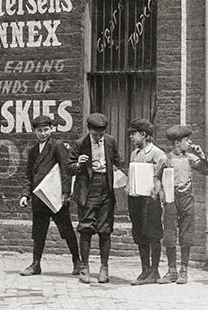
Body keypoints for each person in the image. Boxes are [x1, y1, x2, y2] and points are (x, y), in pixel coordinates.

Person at [17, 114, 83, 277]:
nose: (43, 133)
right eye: (39, 130)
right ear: (34, 132)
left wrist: (65, 194)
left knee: (66, 230)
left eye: (46, 130)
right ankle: (36, 264)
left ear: (52, 129)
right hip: (40, 197)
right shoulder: (33, 151)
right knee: (38, 232)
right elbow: (28, 175)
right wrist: (25, 194)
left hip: (55, 197)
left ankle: (77, 262)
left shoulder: (57, 146)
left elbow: (65, 171)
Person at [72, 112, 121, 284]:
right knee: (86, 228)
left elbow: (117, 161)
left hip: (106, 188)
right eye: (95, 134)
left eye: (101, 134)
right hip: (88, 188)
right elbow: (69, 168)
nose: (99, 137)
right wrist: (79, 164)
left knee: (105, 229)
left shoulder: (110, 141)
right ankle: (84, 267)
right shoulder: (80, 144)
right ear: (89, 130)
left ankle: (104, 268)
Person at [160, 124, 208, 284]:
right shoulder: (166, 159)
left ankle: (184, 270)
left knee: (186, 234)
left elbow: (206, 171)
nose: (189, 143)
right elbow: (156, 177)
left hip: (187, 198)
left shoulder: (190, 158)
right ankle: (172, 270)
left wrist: (202, 156)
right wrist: (161, 193)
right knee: (169, 233)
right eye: (186, 140)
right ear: (177, 143)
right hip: (171, 198)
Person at [127, 117, 168, 285]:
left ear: (143, 135)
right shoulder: (134, 154)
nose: (131, 137)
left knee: (153, 234)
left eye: (133, 134)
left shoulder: (158, 154)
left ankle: (155, 271)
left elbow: (162, 178)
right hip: (136, 198)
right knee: (140, 234)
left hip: (150, 201)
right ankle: (145, 269)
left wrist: (156, 189)